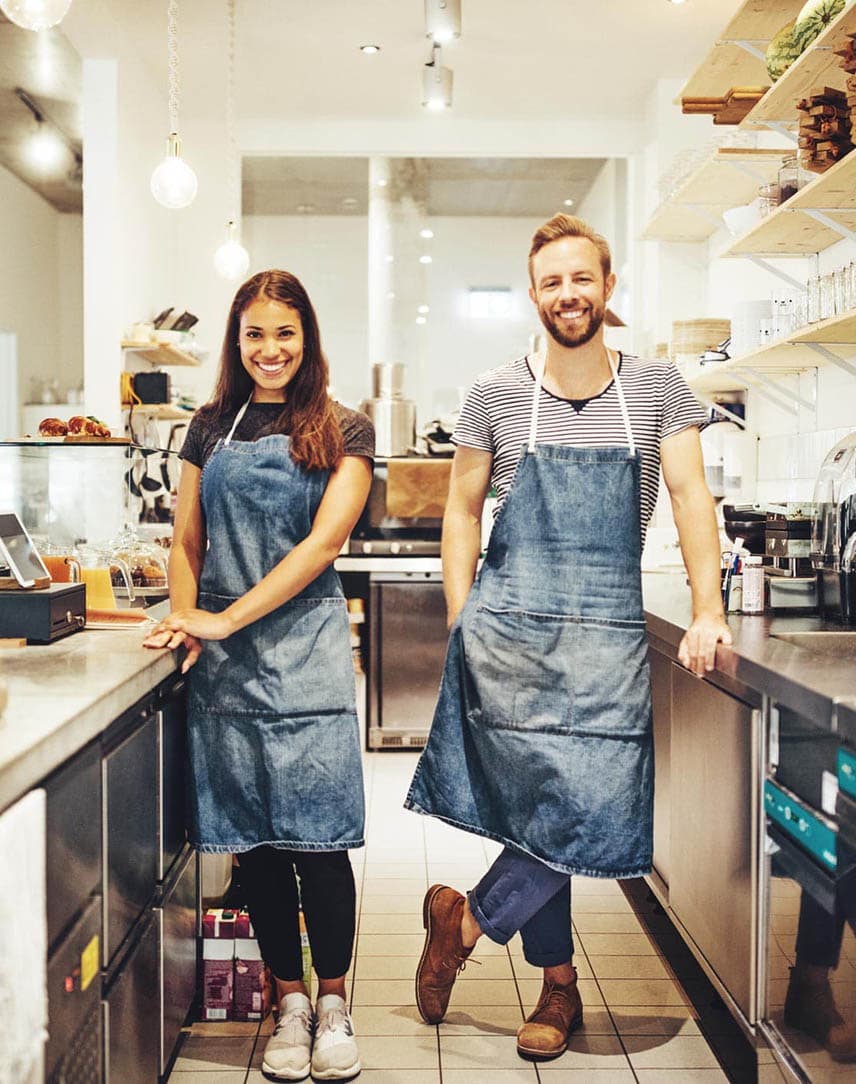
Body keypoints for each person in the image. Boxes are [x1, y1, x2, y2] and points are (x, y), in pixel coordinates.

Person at [405, 214, 732, 1060]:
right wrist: (460, 615)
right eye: (552, 282)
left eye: (581, 279)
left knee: (596, 810)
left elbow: (695, 501)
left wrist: (709, 607)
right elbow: (461, 512)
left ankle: (463, 918)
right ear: (534, 295)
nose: (568, 295)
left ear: (608, 285)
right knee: (540, 813)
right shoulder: (495, 394)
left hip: (607, 638)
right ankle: (558, 992)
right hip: (511, 633)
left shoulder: (659, 390)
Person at [144, 269, 373, 1082]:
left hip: (305, 657)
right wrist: (184, 616)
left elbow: (321, 549)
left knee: (319, 842)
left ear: (306, 337)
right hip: (228, 667)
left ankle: (337, 1001)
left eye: (285, 333)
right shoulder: (209, 426)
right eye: (254, 334)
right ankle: (289, 1003)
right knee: (260, 849)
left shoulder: (346, 429)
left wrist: (223, 618)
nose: (269, 350)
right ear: (236, 342)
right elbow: (186, 541)